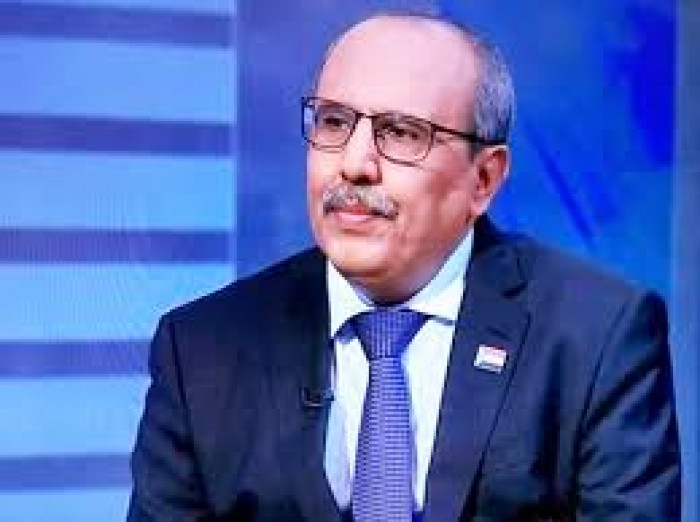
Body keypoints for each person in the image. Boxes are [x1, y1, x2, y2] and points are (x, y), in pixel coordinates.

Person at [127, 12, 681, 522]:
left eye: (401, 133)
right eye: (333, 122)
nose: (354, 164)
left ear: (483, 179)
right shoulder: (202, 350)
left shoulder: (596, 337)